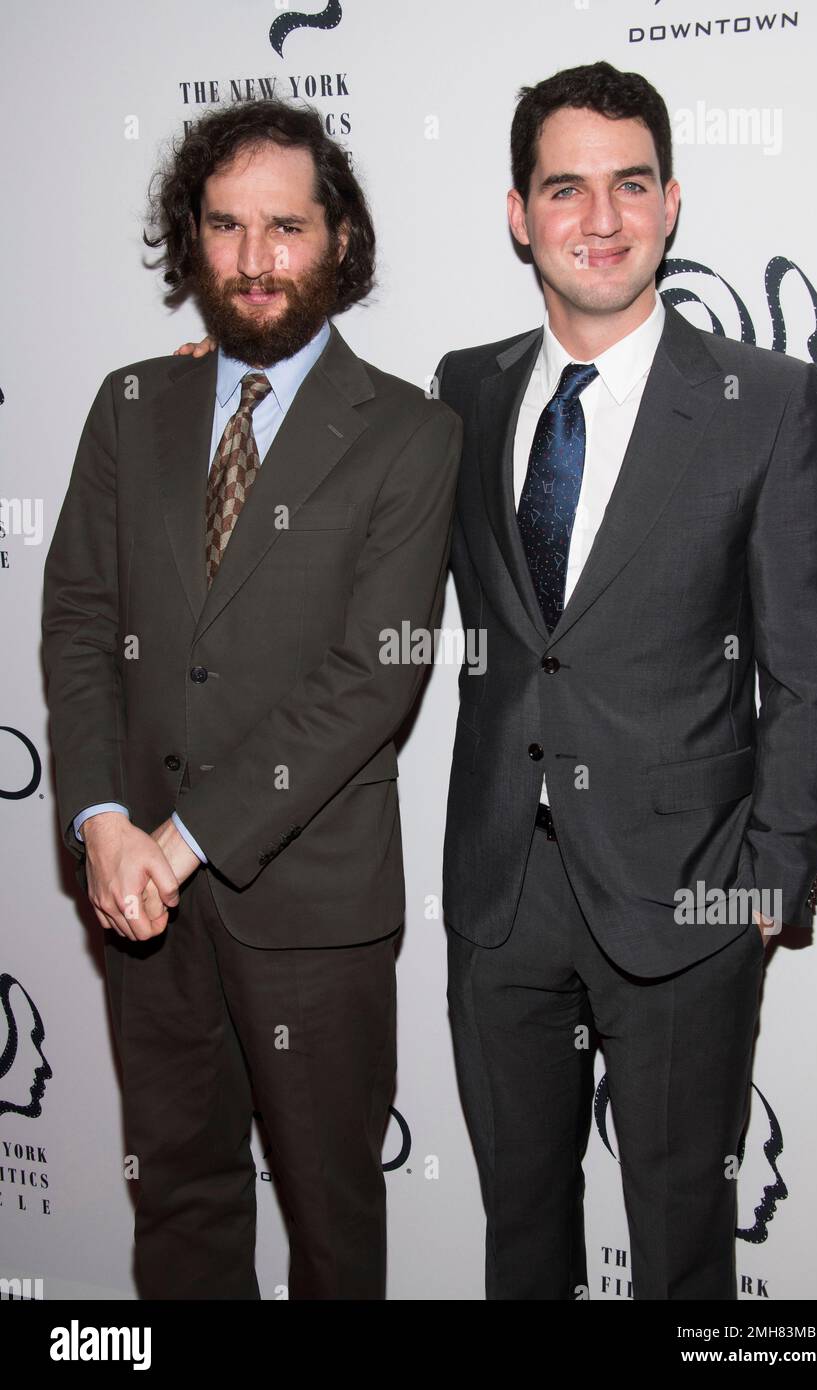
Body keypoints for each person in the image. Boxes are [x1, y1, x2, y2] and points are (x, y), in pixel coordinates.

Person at [435, 61, 817, 1299]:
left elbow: (806, 665)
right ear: (519, 214)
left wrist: (772, 881)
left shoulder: (764, 401)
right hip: (499, 892)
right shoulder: (463, 390)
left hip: (689, 894)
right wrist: (226, 395)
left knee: (679, 1255)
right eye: (564, 188)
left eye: (628, 185)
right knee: (519, 1237)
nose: (600, 219)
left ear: (669, 204)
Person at [41, 99, 462, 1300]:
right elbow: (80, 622)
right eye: (225, 225)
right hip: (140, 898)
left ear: (339, 239)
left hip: (309, 909)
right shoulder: (131, 405)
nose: (254, 258)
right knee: (179, 1203)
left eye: (284, 226)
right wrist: (100, 821)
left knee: (331, 1225)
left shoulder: (411, 433)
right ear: (193, 238)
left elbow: (372, 676)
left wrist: (179, 841)